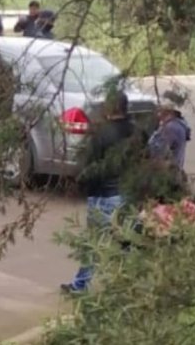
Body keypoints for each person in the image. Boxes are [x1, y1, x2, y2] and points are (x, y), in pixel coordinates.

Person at [61, 91, 137, 293]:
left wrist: (82, 184)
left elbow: (90, 166)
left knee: (93, 242)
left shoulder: (102, 134)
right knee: (125, 241)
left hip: (104, 195)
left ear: (110, 108)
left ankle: (81, 285)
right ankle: (128, 284)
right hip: (127, 193)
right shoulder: (136, 131)